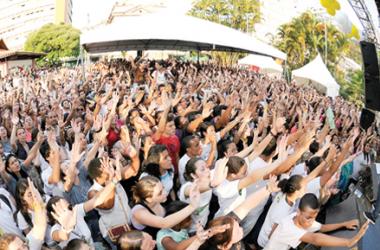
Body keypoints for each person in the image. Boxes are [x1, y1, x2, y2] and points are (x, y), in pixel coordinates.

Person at [264, 193, 369, 250]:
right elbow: (315, 238)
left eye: (314, 217)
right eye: (309, 218)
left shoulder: (302, 219)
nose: (311, 222)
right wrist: (348, 242)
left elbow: (322, 227)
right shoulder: (288, 227)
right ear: (298, 212)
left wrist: (344, 224)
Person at [131, 175, 201, 239]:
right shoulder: (138, 211)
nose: (165, 193)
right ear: (149, 199)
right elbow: (164, 223)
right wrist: (192, 206)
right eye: (160, 193)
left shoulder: (157, 201)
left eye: (163, 188)